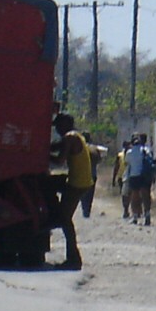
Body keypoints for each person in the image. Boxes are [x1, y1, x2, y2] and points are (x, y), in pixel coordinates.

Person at [50, 113, 94, 270]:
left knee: (65, 219)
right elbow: (57, 146)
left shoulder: (70, 137)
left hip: (77, 183)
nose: (56, 129)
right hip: (79, 181)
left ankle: (74, 259)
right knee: (49, 184)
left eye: (58, 126)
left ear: (65, 125)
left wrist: (44, 156)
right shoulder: (77, 135)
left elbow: (60, 160)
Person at [123, 136, 152, 226]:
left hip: (134, 175)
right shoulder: (146, 150)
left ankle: (135, 216)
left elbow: (127, 162)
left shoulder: (129, 152)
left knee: (134, 197)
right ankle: (147, 215)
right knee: (145, 196)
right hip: (144, 175)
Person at [79, 132, 107, 218]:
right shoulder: (94, 149)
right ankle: (87, 210)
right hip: (92, 173)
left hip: (81, 174)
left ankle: (84, 210)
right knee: (90, 193)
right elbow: (99, 160)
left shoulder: (80, 147)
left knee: (82, 193)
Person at [112, 140, 131, 218]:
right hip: (121, 177)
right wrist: (113, 178)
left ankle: (128, 208)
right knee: (123, 194)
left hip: (129, 176)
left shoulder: (131, 154)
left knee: (129, 194)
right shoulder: (120, 155)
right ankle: (125, 209)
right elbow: (116, 167)